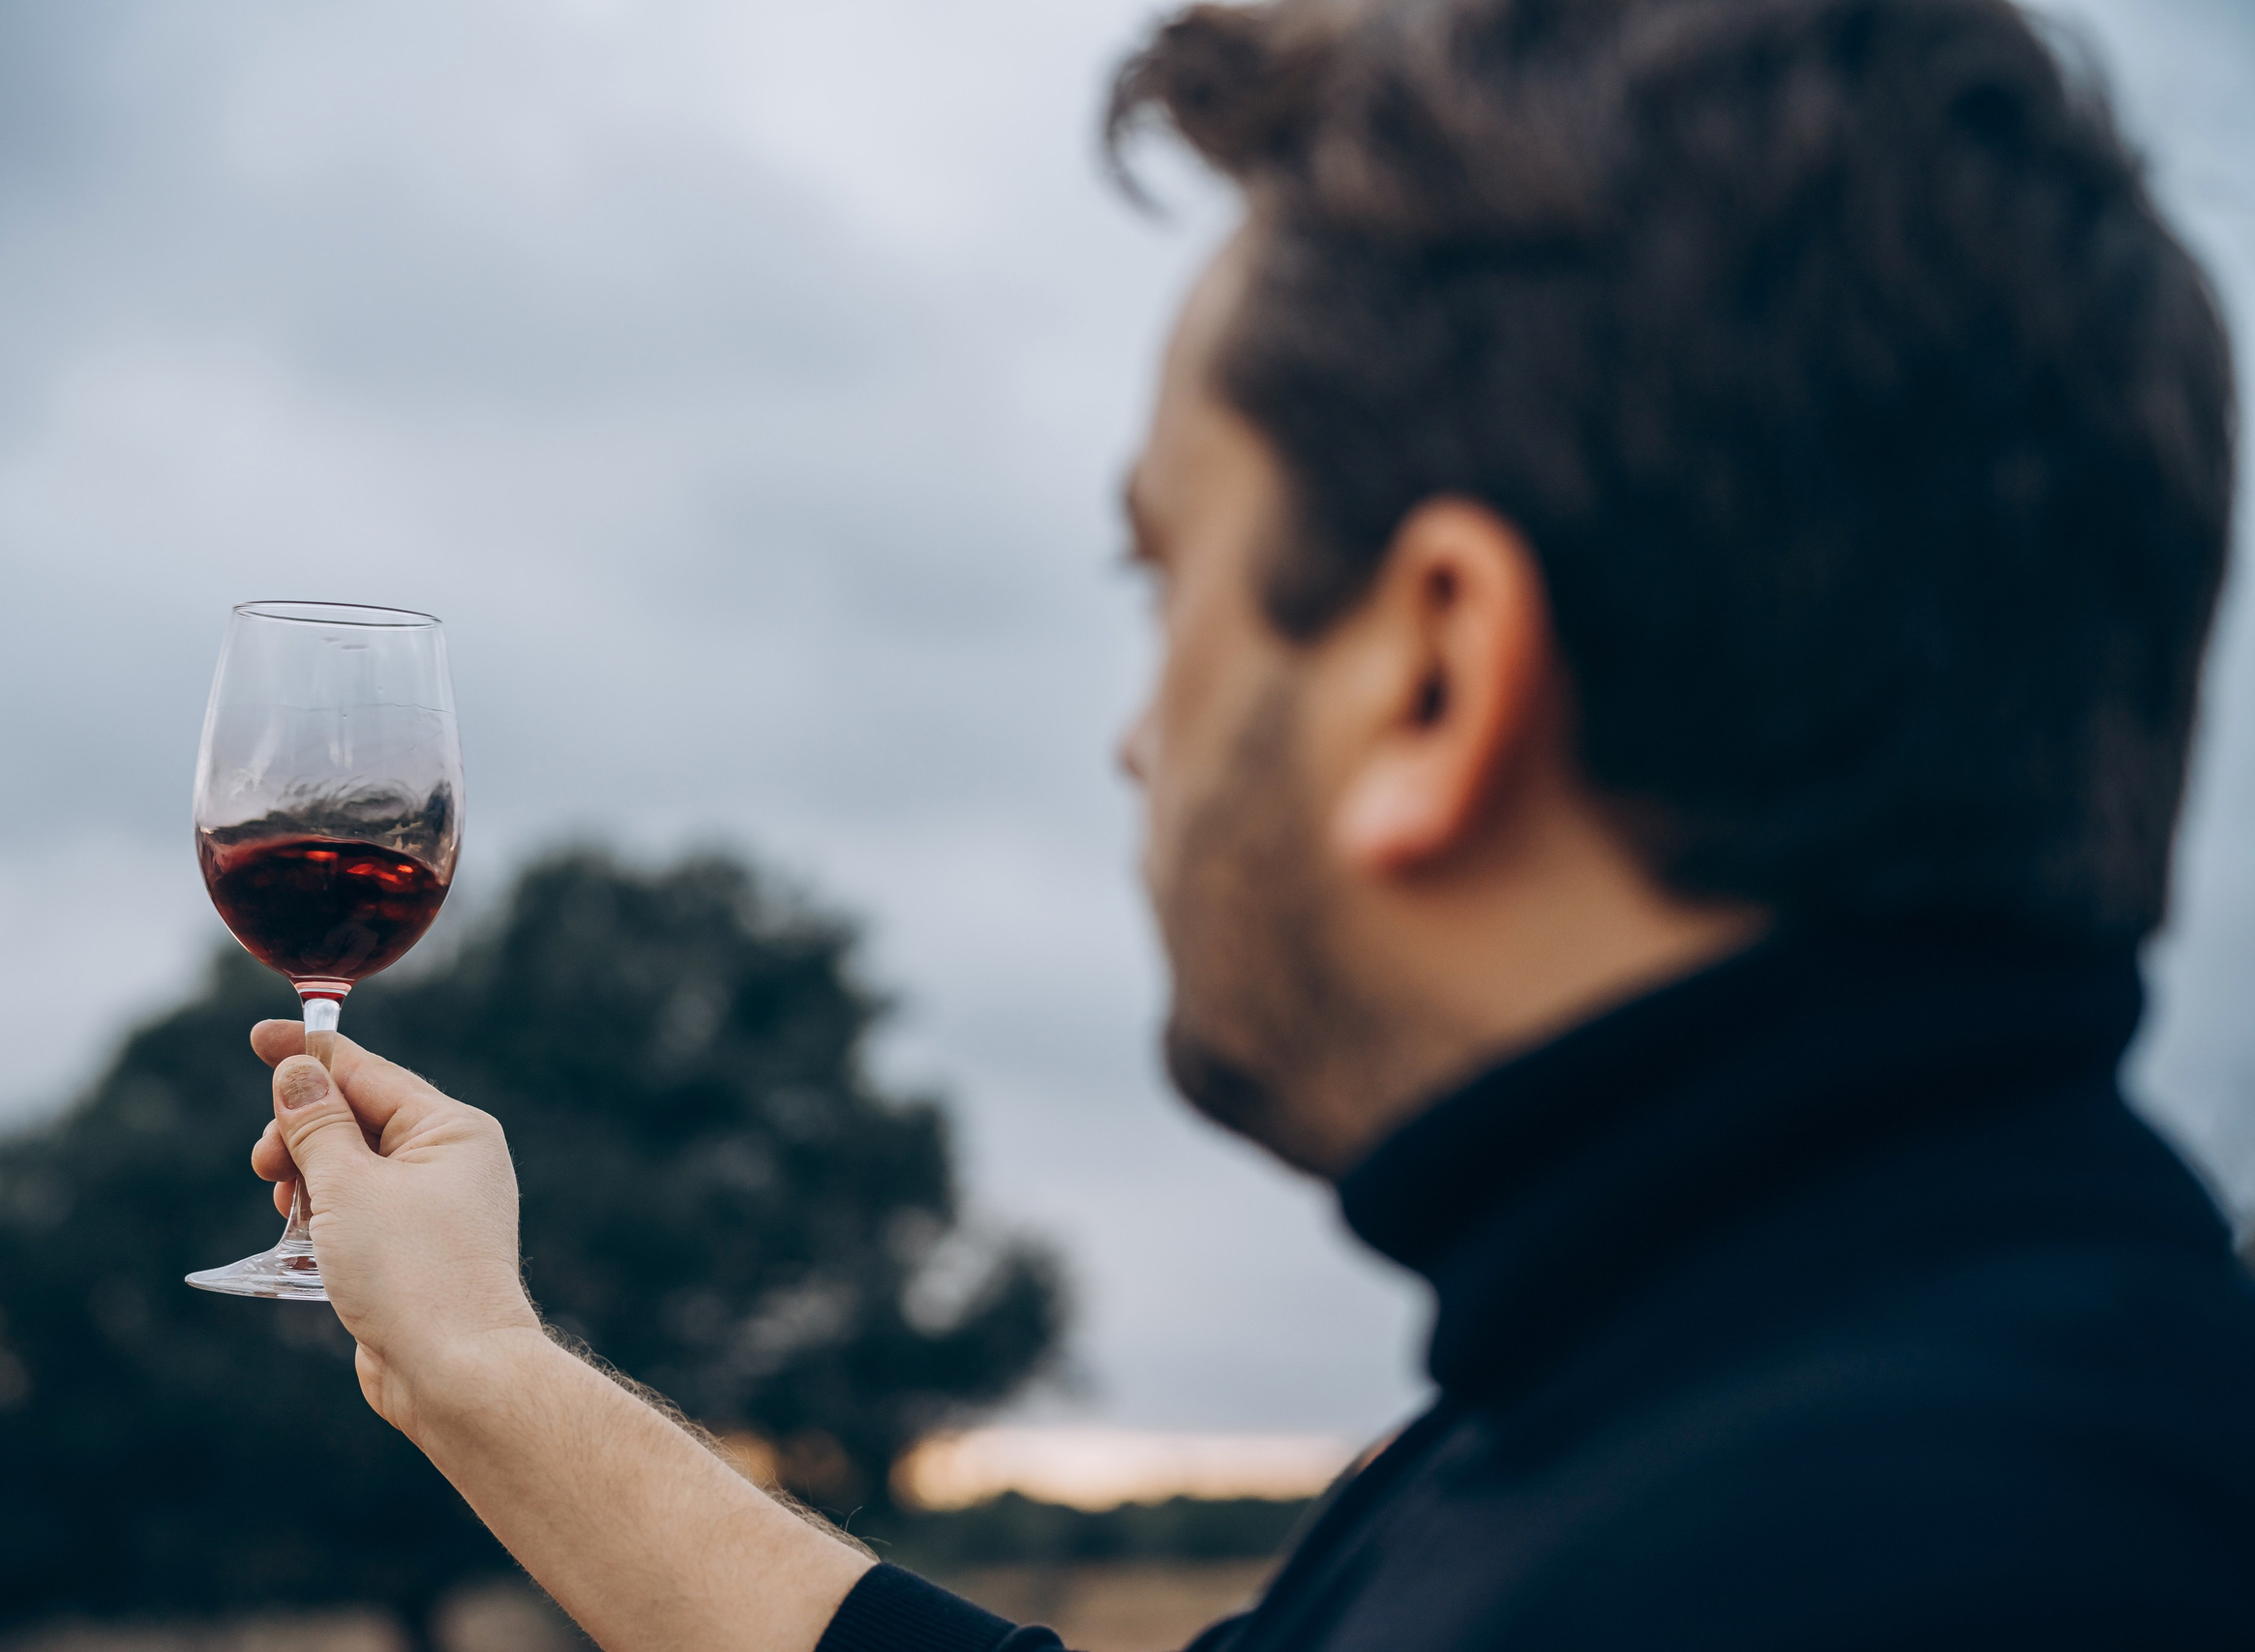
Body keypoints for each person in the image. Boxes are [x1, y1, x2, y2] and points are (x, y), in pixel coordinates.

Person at [245, 0, 2255, 1646]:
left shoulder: (1829, 1552)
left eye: (1165, 574)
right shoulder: (1747, 1396)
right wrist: (482, 1363)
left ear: (1435, 674)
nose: (1137, 736)